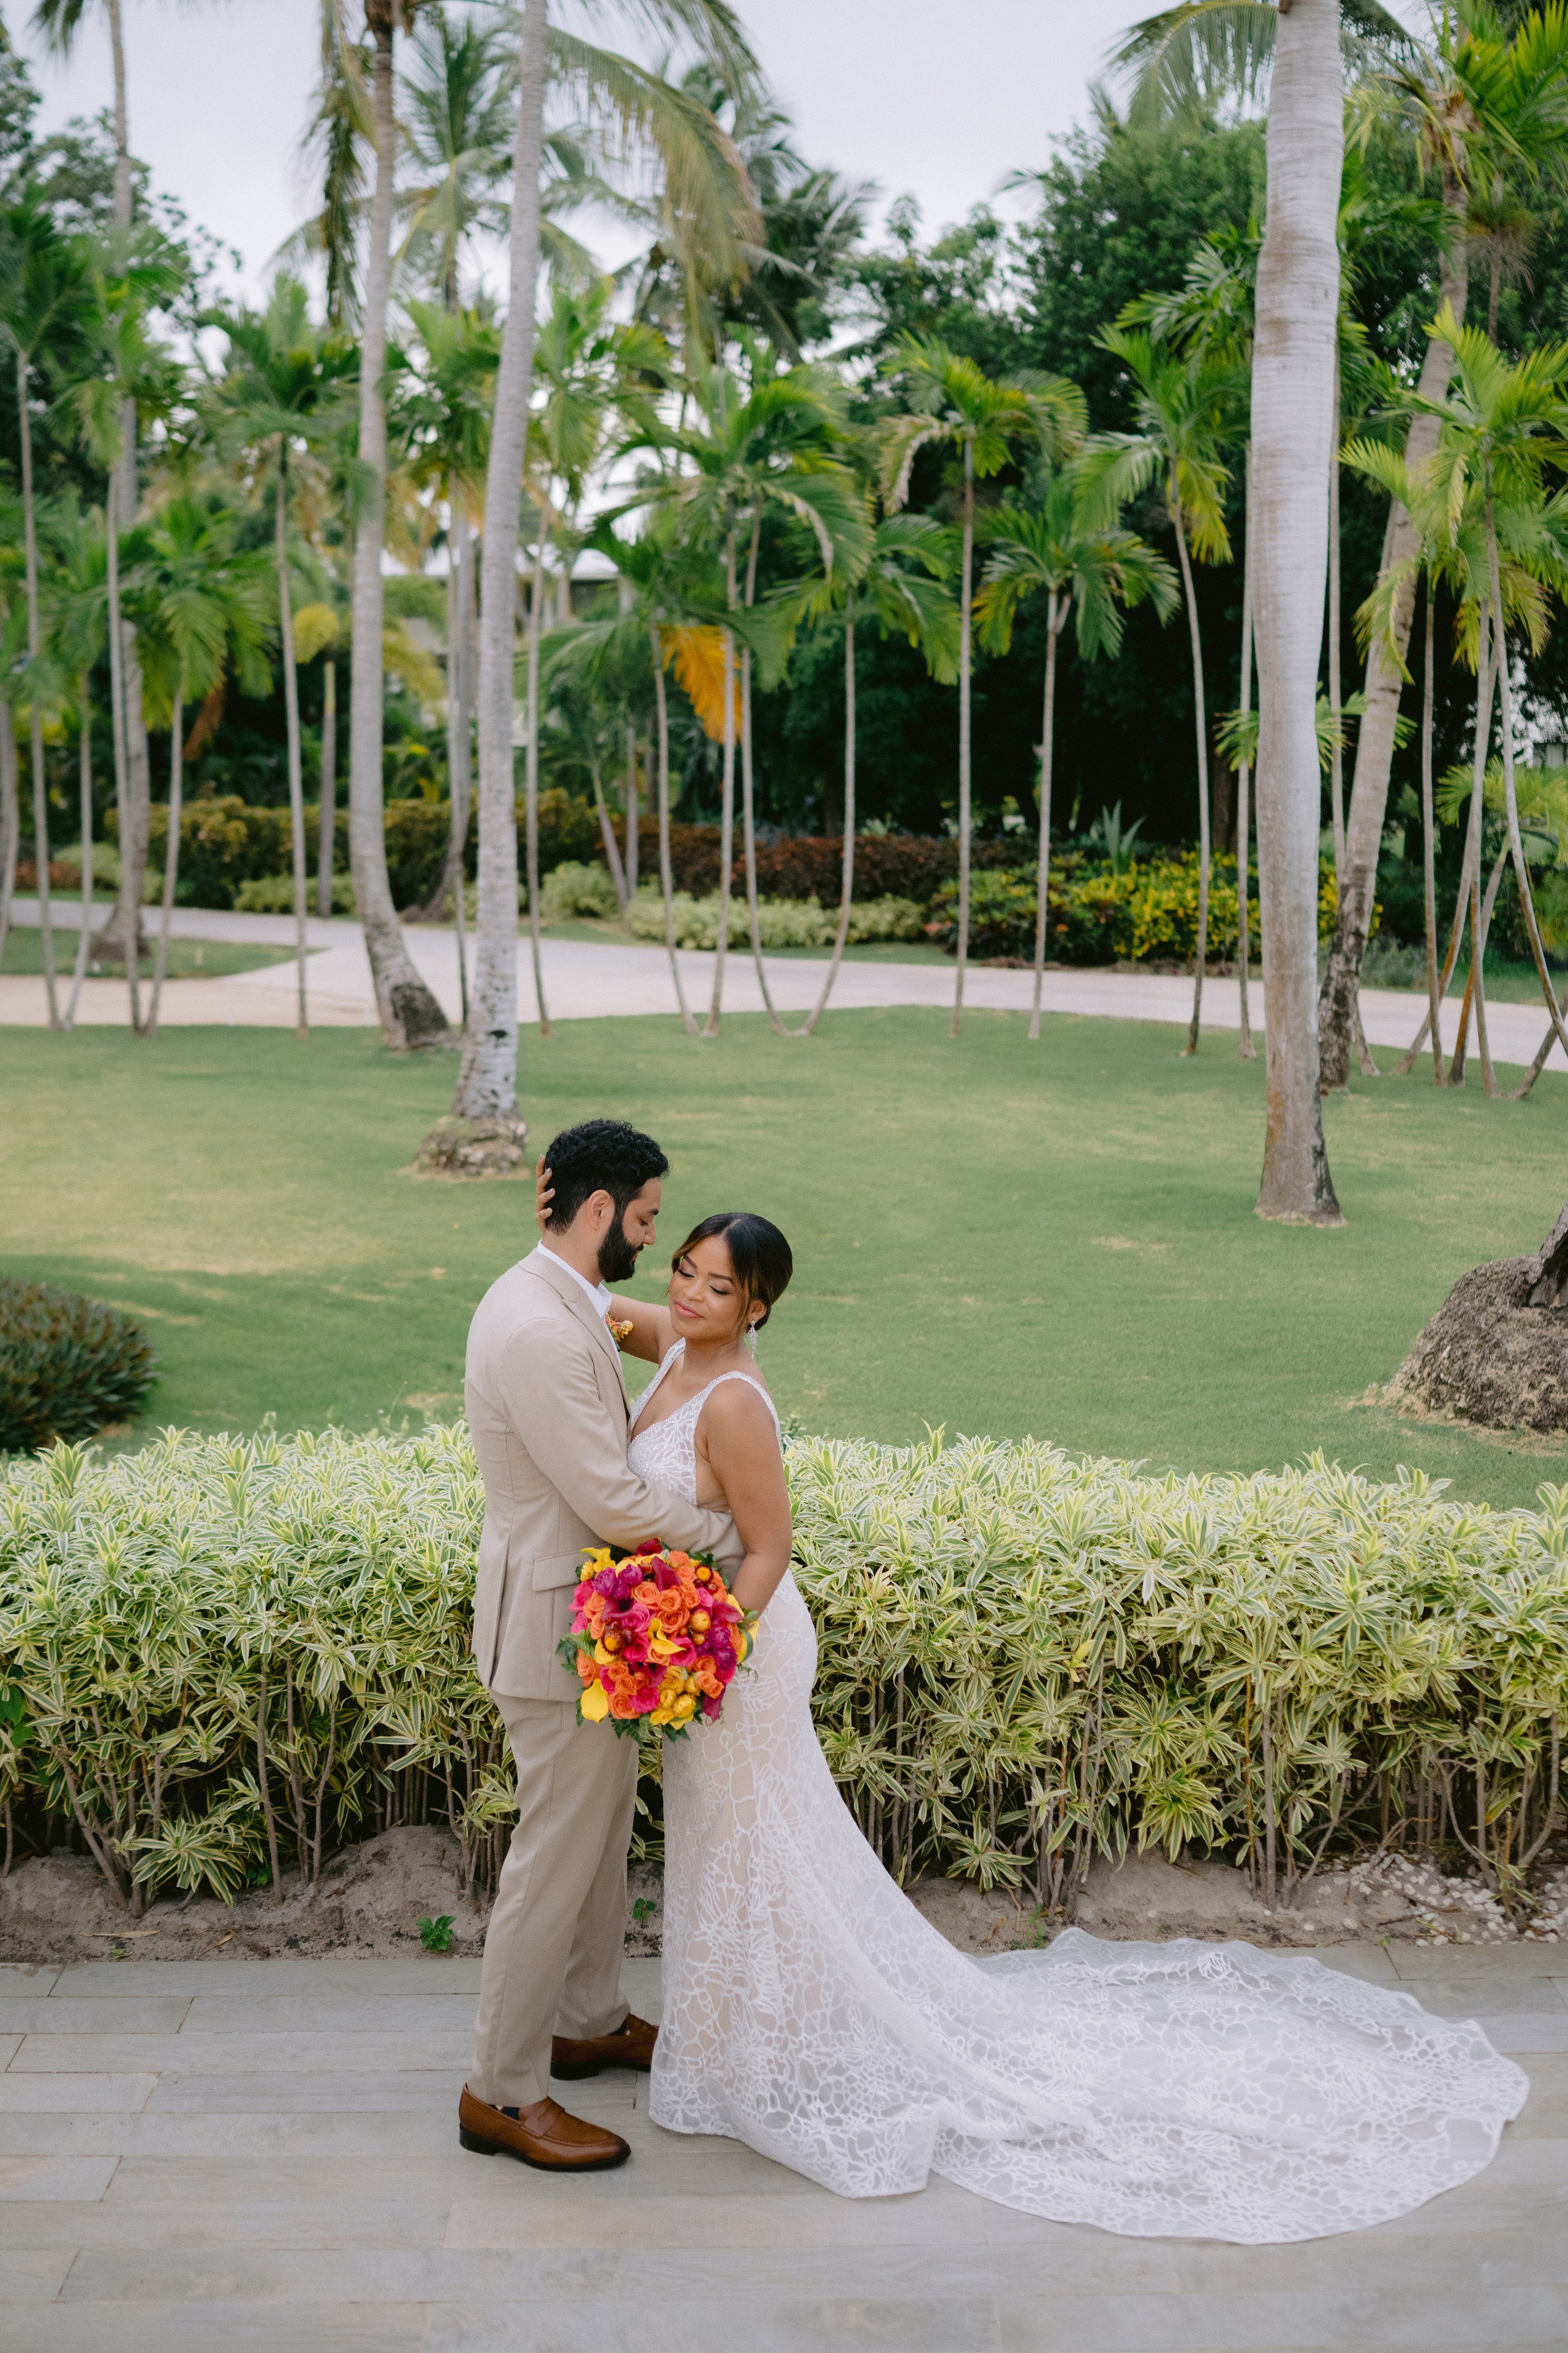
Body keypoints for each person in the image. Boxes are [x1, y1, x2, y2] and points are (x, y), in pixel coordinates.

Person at [542, 1168, 1530, 2245]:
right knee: (726, 1841)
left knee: (755, 1843)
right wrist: (560, 1221)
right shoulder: (676, 1347)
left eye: (716, 1286)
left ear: (759, 1306)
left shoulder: (732, 1401)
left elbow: (773, 1547)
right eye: (683, 1269)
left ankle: (761, 2053)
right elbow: (579, 1300)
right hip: (702, 1640)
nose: (687, 1292)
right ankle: (728, 2040)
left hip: (741, 1643)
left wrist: (703, 1653)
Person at [457, 1119, 742, 2177]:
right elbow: (611, 1498)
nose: (651, 1237)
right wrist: (733, 1536)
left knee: (602, 1830)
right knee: (553, 1857)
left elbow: (658, 1329)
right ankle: (503, 2088)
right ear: (596, 1212)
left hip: (587, 1630)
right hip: (547, 1631)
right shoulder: (532, 1327)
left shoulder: (566, 1297)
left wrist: (713, 1326)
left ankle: (586, 2020)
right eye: (647, 1217)